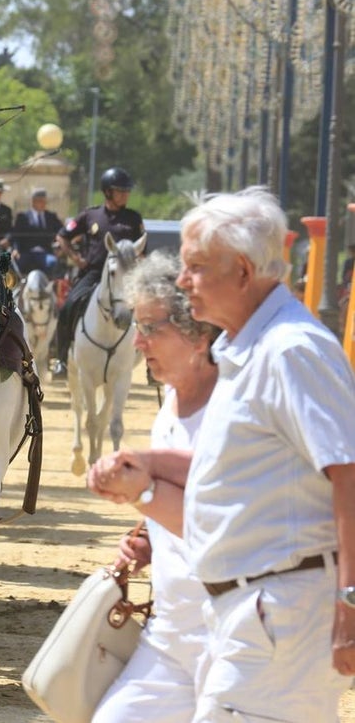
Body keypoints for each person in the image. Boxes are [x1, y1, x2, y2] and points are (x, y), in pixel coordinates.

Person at [88, 187, 355, 720]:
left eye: (196, 268)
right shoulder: (248, 349)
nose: (184, 282)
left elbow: (348, 474)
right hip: (245, 614)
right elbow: (230, 475)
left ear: (242, 271)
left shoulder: (291, 351)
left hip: (279, 614)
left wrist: (351, 600)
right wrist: (148, 476)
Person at [87, 250, 220, 723]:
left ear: (197, 332)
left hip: (230, 629)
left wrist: (142, 493)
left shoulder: (236, 405)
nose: (138, 342)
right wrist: (147, 537)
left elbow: (218, 513)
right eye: (136, 327)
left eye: (149, 328)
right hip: (171, 626)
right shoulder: (169, 406)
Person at [50, 166, 145, 375]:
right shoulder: (90, 215)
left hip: (124, 276)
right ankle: (61, 360)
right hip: (93, 273)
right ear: (108, 192)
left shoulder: (133, 218)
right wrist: (76, 259)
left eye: (127, 191)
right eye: (121, 191)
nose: (126, 194)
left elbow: (143, 252)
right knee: (68, 306)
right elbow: (62, 236)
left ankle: (152, 368)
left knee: (148, 309)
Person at [10, 188, 63, 275]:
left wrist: (59, 245)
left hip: (45, 252)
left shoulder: (51, 217)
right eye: (40, 201)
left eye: (44, 201)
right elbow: (16, 235)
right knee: (14, 265)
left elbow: (61, 231)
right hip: (26, 252)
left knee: (53, 262)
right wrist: (15, 249)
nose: (44, 204)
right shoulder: (23, 217)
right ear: (33, 202)